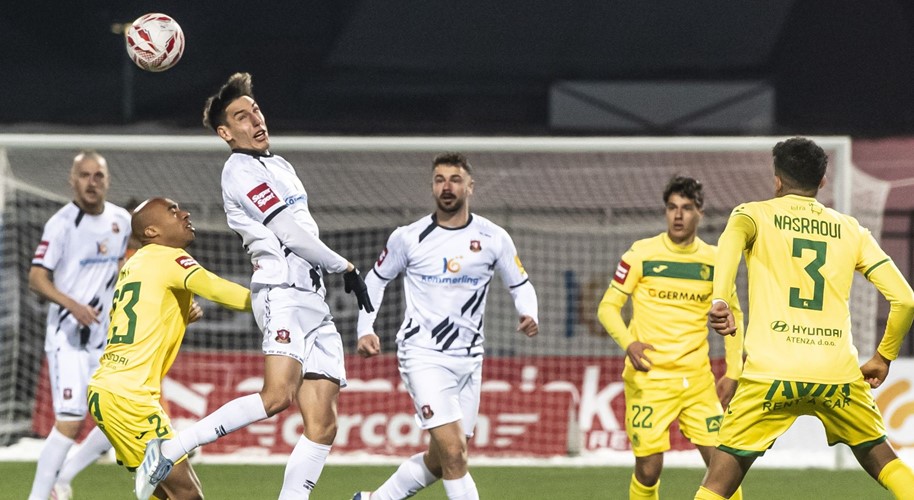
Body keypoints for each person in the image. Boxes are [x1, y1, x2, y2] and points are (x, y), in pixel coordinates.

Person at [135, 72, 373, 500]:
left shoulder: (280, 166)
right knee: (276, 396)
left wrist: (328, 275)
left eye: (256, 110)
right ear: (225, 133)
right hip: (280, 293)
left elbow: (303, 230)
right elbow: (288, 232)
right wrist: (346, 267)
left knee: (323, 423)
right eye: (241, 117)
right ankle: (170, 449)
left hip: (312, 300)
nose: (255, 120)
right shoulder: (239, 171)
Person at [695, 137, 914, 500]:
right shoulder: (852, 230)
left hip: (771, 372)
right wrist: (883, 356)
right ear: (822, 182)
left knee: (718, 484)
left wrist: (721, 299)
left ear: (777, 180)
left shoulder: (752, 214)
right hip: (836, 373)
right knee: (884, 460)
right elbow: (905, 300)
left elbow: (729, 247)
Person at [352, 152, 539, 500]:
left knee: (441, 459)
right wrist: (366, 327)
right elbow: (374, 281)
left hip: (470, 360)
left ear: (470, 186)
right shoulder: (408, 237)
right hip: (423, 355)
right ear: (432, 187)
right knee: (455, 454)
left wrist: (529, 312)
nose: (447, 187)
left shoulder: (493, 237)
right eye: (440, 180)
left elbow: (520, 283)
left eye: (455, 179)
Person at [88, 197, 251, 500]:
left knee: (163, 495)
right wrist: (273, 303)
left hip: (108, 390)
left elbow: (134, 321)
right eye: (172, 211)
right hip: (131, 397)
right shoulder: (167, 257)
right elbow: (216, 287)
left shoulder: (133, 265)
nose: (185, 214)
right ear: (151, 231)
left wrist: (176, 315)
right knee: (187, 495)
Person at [597, 176, 745, 500]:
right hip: (650, 379)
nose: (678, 215)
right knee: (649, 471)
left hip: (697, 381)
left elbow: (734, 316)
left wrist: (734, 372)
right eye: (672, 208)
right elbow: (608, 307)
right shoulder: (642, 254)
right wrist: (629, 344)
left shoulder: (715, 261)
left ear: (700, 213)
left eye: (686, 208)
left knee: (726, 468)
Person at [27, 150, 131, 500]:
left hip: (103, 342)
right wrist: (74, 305)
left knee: (115, 420)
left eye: (97, 176)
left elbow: (142, 258)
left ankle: (63, 477)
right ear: (73, 181)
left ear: (107, 181)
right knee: (70, 421)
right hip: (67, 339)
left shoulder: (121, 220)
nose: (91, 182)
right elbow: (37, 277)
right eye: (84, 176)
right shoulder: (61, 224)